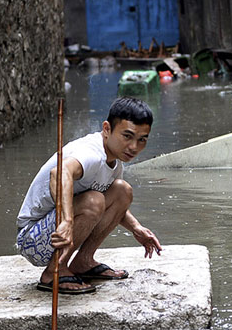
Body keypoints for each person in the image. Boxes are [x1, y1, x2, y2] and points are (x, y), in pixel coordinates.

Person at [15, 97, 162, 294]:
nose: (134, 147)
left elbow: (113, 202)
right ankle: (53, 272)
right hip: (33, 239)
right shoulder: (91, 153)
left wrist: (136, 228)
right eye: (127, 136)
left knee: (122, 191)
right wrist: (66, 221)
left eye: (141, 140)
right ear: (107, 129)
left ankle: (82, 261)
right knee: (94, 200)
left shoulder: (114, 162)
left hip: (57, 234)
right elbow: (59, 174)